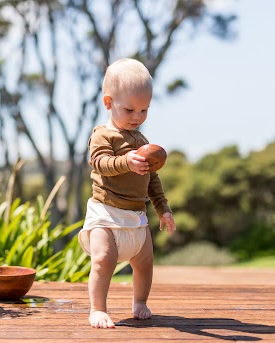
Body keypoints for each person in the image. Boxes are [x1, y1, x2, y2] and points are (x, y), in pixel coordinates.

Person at [78, 58, 176, 329]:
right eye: (130, 109)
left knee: (144, 262)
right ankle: (98, 309)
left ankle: (140, 302)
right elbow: (100, 163)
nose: (138, 116)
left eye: (144, 109)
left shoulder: (142, 141)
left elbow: (152, 180)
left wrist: (163, 208)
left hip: (136, 215)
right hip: (106, 213)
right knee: (103, 260)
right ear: (108, 103)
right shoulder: (103, 136)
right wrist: (126, 162)